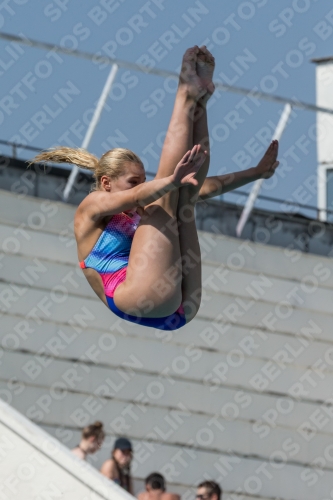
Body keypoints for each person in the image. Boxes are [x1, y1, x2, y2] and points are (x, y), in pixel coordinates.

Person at [31, 46, 279, 331]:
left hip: (180, 307)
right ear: (106, 183)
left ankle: (199, 104)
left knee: (185, 195)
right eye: (133, 180)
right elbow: (142, 193)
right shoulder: (92, 206)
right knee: (167, 194)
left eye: (141, 180)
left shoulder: (141, 202)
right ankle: (185, 94)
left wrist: (255, 173)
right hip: (137, 298)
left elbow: (203, 187)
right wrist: (170, 181)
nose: (141, 186)